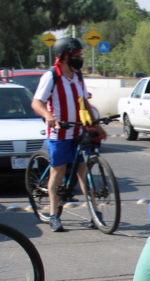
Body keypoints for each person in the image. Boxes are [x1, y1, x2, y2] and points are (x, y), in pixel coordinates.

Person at [31, 37, 106, 233]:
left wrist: (96, 124)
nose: (79, 59)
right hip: (59, 133)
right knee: (59, 172)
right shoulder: (52, 76)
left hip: (78, 131)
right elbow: (36, 103)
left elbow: (85, 102)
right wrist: (48, 116)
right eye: (76, 56)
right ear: (64, 57)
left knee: (84, 171)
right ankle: (54, 215)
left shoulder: (78, 76)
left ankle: (94, 212)